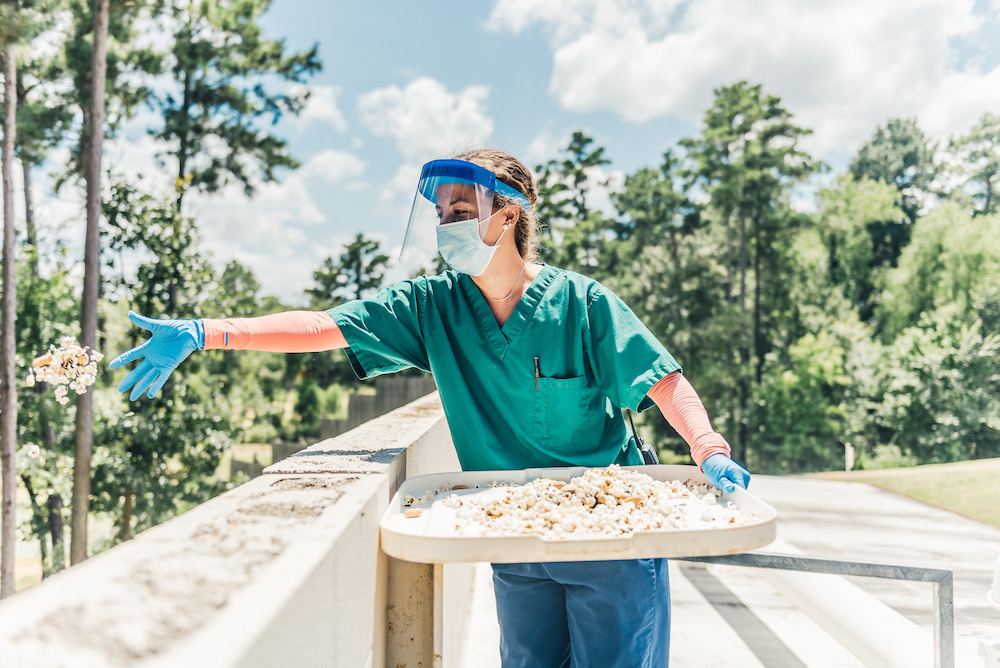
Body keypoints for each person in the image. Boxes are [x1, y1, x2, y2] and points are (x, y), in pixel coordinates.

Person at [109, 148, 751, 667]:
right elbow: (322, 327)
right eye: (442, 212)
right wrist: (205, 332)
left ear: (509, 217)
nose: (448, 225)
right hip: (513, 540)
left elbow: (661, 379)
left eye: (463, 209)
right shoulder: (432, 306)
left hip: (610, 542)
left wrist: (709, 448)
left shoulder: (583, 304)